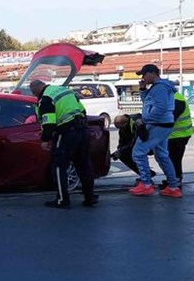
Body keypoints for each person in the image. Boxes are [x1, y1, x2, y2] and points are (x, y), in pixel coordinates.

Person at [29, 79, 97, 209]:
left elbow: (49, 123)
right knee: (84, 165)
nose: (34, 96)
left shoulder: (46, 98)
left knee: (59, 166)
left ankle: (62, 200)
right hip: (82, 130)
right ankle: (90, 197)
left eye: (34, 93)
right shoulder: (65, 90)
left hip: (66, 133)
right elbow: (82, 111)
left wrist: (45, 140)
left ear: (35, 90)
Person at [128, 64, 181, 198]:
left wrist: (145, 120)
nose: (143, 78)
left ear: (152, 73)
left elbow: (161, 108)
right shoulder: (159, 87)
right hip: (164, 124)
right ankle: (173, 187)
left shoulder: (160, 88)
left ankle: (146, 185)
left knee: (138, 152)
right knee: (162, 155)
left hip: (157, 124)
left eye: (144, 75)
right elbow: (149, 103)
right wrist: (142, 89)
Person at [162, 91, 192, 190]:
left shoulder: (177, 100)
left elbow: (170, 118)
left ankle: (176, 181)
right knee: (172, 158)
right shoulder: (174, 98)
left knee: (174, 159)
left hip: (179, 135)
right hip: (177, 135)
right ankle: (174, 179)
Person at [112, 114, 157, 181]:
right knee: (123, 155)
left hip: (149, 143)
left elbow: (135, 141)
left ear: (125, 122)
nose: (121, 129)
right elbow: (122, 141)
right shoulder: (124, 127)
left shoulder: (135, 124)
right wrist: (118, 151)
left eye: (121, 127)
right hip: (142, 144)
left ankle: (146, 177)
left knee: (137, 155)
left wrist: (120, 151)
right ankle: (146, 175)